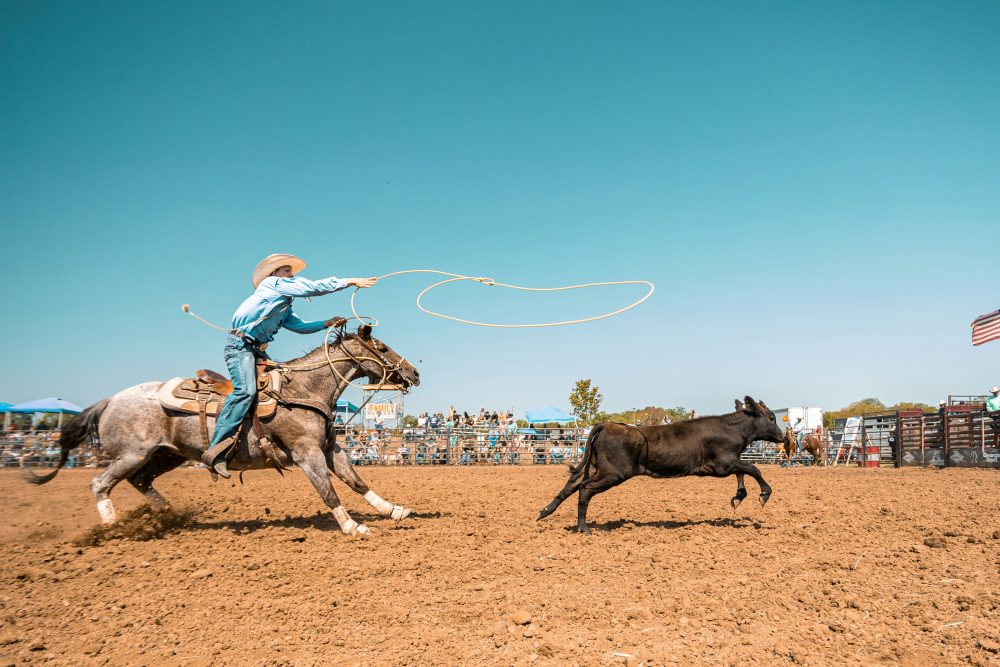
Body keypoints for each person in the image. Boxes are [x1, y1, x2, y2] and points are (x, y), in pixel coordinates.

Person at [202, 253, 377, 477]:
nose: (291, 275)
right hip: (241, 347)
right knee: (245, 391)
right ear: (274, 273)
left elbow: (299, 326)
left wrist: (326, 323)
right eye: (287, 271)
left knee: (282, 386)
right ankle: (216, 451)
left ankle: (257, 441)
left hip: (253, 349)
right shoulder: (273, 284)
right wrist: (349, 281)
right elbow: (310, 287)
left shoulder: (283, 306)